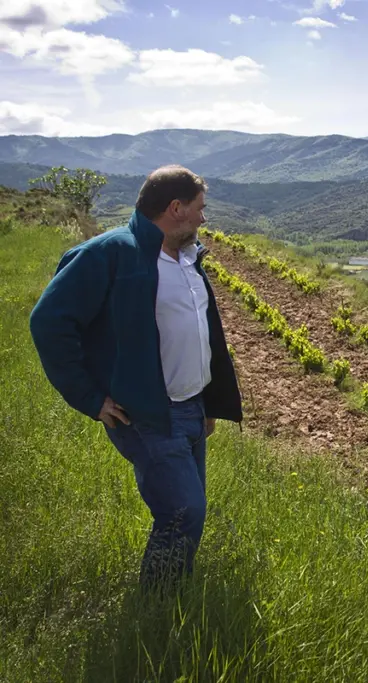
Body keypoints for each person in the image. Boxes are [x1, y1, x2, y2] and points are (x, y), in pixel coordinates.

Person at [29, 164, 243, 591]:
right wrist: (91, 398)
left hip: (190, 408)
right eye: (200, 209)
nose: (204, 218)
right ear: (175, 208)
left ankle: (173, 592)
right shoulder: (109, 254)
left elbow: (199, 333)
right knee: (183, 511)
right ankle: (159, 607)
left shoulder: (186, 257)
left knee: (185, 510)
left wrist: (207, 404)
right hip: (147, 412)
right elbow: (49, 323)